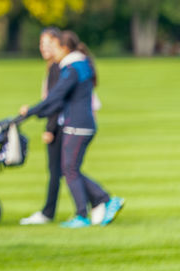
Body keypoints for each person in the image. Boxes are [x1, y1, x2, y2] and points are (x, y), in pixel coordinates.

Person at [20, 30, 124, 228]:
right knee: (70, 169)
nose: (54, 53)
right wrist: (39, 113)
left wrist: (31, 111)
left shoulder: (72, 68)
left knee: (69, 169)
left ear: (64, 48)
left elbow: (55, 96)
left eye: (56, 48)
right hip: (82, 124)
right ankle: (102, 201)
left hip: (76, 125)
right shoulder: (81, 65)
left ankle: (85, 213)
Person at [19, 27, 64, 225]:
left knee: (61, 170)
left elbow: (55, 101)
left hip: (59, 125)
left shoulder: (57, 67)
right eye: (41, 44)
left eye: (48, 44)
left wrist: (49, 128)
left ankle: (48, 211)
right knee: (66, 170)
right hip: (59, 122)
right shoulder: (54, 66)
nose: (43, 48)